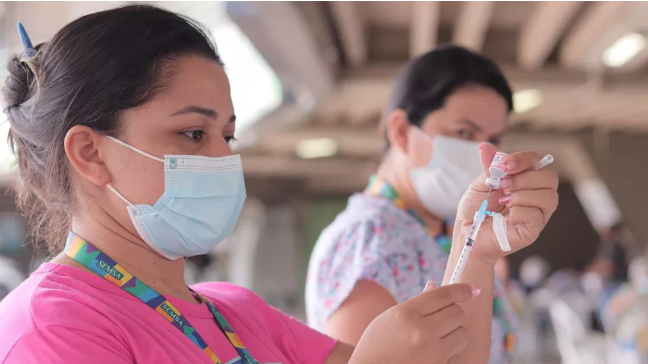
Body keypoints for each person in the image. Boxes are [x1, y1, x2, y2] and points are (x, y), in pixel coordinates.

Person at [0, 6, 518, 364]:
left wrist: (478, 245)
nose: (224, 158)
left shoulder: (235, 312)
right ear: (91, 153)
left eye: (227, 135)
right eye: (193, 133)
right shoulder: (51, 327)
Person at [306, 45, 559, 363]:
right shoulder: (368, 241)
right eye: (464, 132)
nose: (484, 155)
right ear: (401, 132)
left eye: (494, 140)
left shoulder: (446, 229)